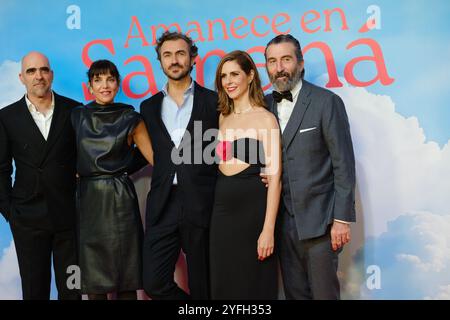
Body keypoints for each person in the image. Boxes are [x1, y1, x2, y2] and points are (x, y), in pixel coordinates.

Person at [263, 34, 356, 300]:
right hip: (281, 224)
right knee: (295, 296)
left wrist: (341, 220)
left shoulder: (327, 102)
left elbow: (343, 164)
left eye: (286, 59)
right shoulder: (262, 106)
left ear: (300, 64)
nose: (279, 67)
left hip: (321, 223)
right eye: (272, 61)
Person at [140, 31, 218, 300]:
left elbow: (228, 149)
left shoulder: (214, 102)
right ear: (160, 61)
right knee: (153, 282)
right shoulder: (148, 107)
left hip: (202, 201)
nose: (174, 60)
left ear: (193, 58)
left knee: (203, 285)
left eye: (181, 53)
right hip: (163, 204)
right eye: (167, 55)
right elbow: (148, 152)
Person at [71, 59, 153, 300]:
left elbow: (154, 158)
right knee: (93, 283)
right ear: (89, 86)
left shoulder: (130, 117)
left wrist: (123, 165)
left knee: (126, 279)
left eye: (110, 79)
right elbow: (65, 155)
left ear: (118, 84)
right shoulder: (76, 116)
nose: (104, 85)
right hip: (88, 202)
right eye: (98, 80)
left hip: (120, 202)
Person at [0, 51, 80, 300]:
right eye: (32, 71)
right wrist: (11, 213)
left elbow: (85, 160)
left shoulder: (74, 110)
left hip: (69, 218)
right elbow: (1, 169)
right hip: (28, 219)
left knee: (73, 290)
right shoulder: (6, 117)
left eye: (43, 70)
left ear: (51, 75)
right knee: (34, 291)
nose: (38, 76)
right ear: (21, 77)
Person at [209, 50, 282, 299]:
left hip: (253, 216)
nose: (228, 81)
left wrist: (268, 230)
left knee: (253, 286)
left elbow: (275, 180)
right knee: (223, 284)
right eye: (223, 76)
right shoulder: (222, 117)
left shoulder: (266, 119)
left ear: (250, 76)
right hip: (220, 217)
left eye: (234, 74)